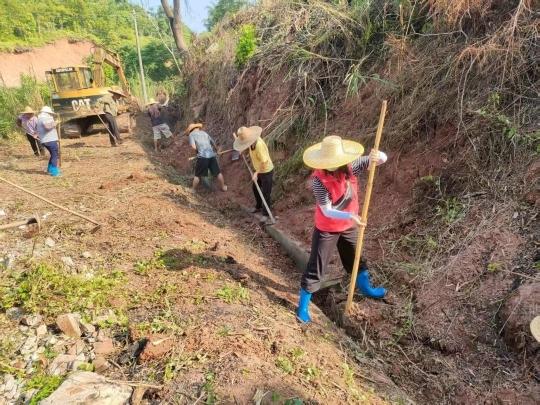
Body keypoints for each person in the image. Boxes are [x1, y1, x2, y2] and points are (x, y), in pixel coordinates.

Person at [296, 135, 388, 323]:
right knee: (317, 266)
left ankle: (366, 288)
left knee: (355, 258)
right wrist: (350, 216)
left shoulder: (351, 167)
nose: (331, 165)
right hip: (327, 228)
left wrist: (378, 156)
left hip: (348, 226)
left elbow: (380, 160)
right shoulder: (318, 180)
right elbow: (327, 210)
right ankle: (303, 306)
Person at [233, 126, 274, 221]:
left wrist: (256, 173)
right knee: (255, 189)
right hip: (259, 171)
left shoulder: (259, 145)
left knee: (266, 193)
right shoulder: (251, 142)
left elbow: (264, 161)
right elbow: (248, 147)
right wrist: (242, 150)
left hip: (266, 171)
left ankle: (266, 214)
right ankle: (258, 206)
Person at [186, 123, 227, 192]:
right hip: (211, 156)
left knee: (197, 175)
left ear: (191, 130)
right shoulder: (204, 133)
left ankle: (193, 190)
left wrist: (197, 152)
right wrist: (217, 150)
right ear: (197, 128)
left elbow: (193, 147)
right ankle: (223, 187)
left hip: (202, 157)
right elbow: (213, 142)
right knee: (218, 173)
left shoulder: (191, 135)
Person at [37, 106, 61, 177]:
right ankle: (54, 172)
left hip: (47, 140)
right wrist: (56, 122)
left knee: (53, 154)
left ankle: (50, 169)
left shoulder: (40, 118)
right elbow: (47, 127)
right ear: (46, 113)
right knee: (55, 155)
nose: (50, 114)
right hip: (49, 140)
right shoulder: (44, 118)